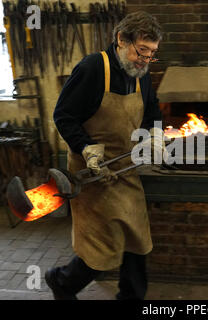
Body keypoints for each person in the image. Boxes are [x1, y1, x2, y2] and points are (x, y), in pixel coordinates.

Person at [47, 11, 164, 300]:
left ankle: (131, 296)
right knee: (101, 249)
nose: (146, 60)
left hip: (126, 170)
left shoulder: (141, 74)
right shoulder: (92, 68)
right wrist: (86, 147)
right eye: (142, 51)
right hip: (93, 174)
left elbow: (151, 110)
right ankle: (61, 281)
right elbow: (63, 115)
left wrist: (154, 133)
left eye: (152, 54)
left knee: (137, 240)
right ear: (121, 40)